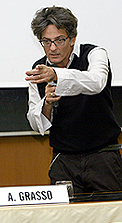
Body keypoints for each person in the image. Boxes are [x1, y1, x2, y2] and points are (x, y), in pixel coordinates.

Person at [25, 6, 122, 194]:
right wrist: (47, 103)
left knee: (111, 218)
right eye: (46, 41)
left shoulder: (94, 54)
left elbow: (96, 82)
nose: (52, 48)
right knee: (66, 221)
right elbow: (37, 124)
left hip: (103, 157)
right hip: (64, 161)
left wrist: (57, 75)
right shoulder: (39, 69)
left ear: (72, 39)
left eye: (59, 40)